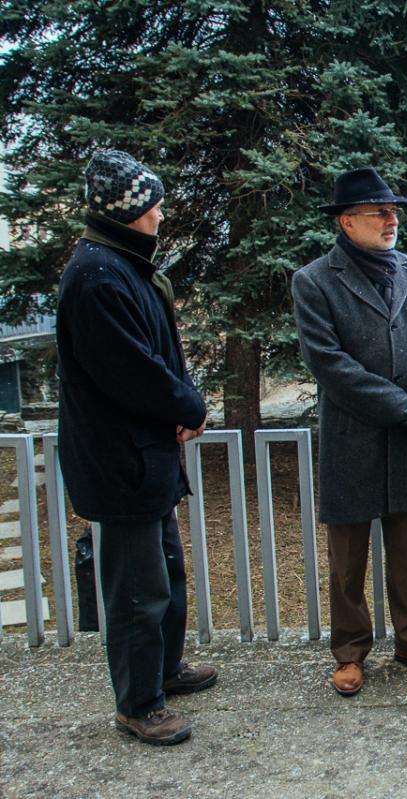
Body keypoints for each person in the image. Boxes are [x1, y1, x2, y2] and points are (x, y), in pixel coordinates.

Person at [57, 150, 216, 745]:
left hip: (145, 457)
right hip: (119, 461)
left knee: (165, 572)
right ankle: (139, 703)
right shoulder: (98, 277)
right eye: (154, 204)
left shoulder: (123, 266)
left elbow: (158, 358)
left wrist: (180, 404)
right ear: (129, 211)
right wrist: (187, 406)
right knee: (135, 590)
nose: (161, 213)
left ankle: (165, 670)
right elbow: (134, 371)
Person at [292, 167, 407, 696]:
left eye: (394, 211)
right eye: (379, 212)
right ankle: (349, 652)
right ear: (347, 221)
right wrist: (400, 407)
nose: (391, 220)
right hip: (353, 440)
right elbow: (329, 363)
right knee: (347, 561)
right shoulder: (314, 280)